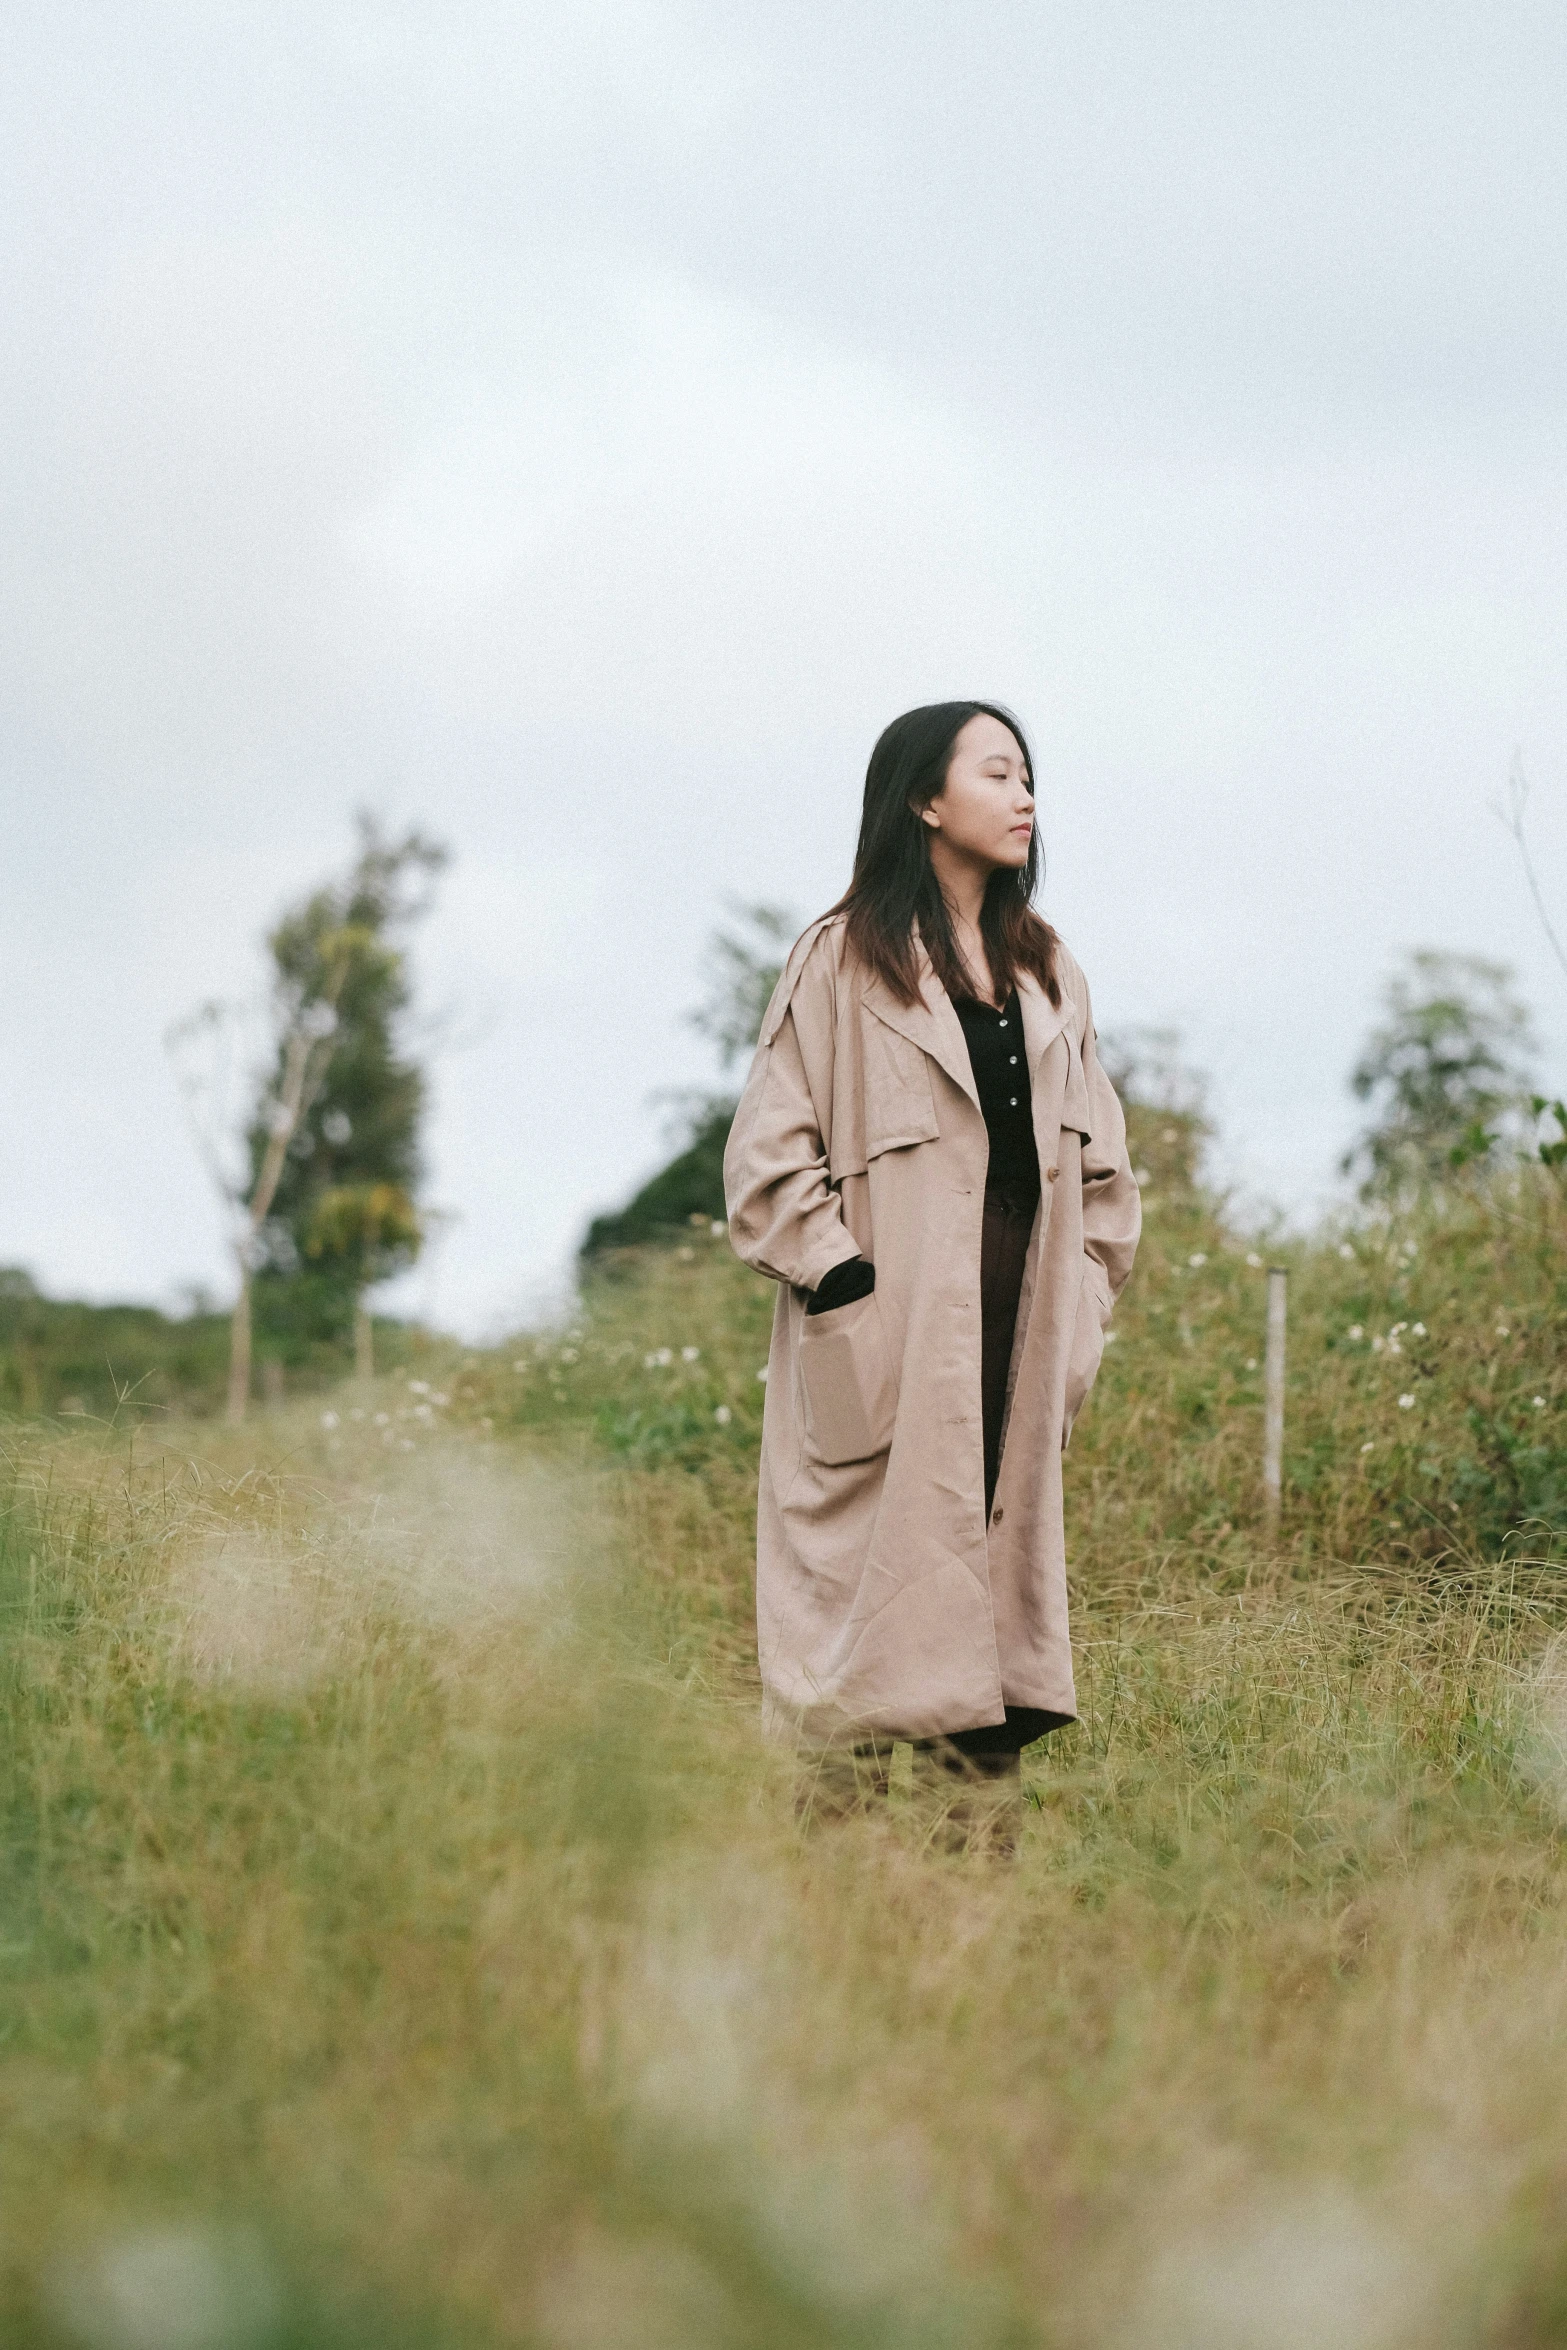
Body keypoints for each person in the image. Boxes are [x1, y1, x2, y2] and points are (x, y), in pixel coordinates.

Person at [722, 702, 1141, 1843]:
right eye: (996, 773)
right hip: (889, 1339)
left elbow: (1106, 1181)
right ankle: (838, 1935)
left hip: (1020, 1335)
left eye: (1028, 777)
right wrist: (842, 1282)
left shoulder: (1049, 969)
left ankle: (974, 1952)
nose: (1024, 797)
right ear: (923, 798)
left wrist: (1082, 1319)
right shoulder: (840, 955)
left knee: (987, 1669)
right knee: (857, 1663)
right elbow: (765, 1165)